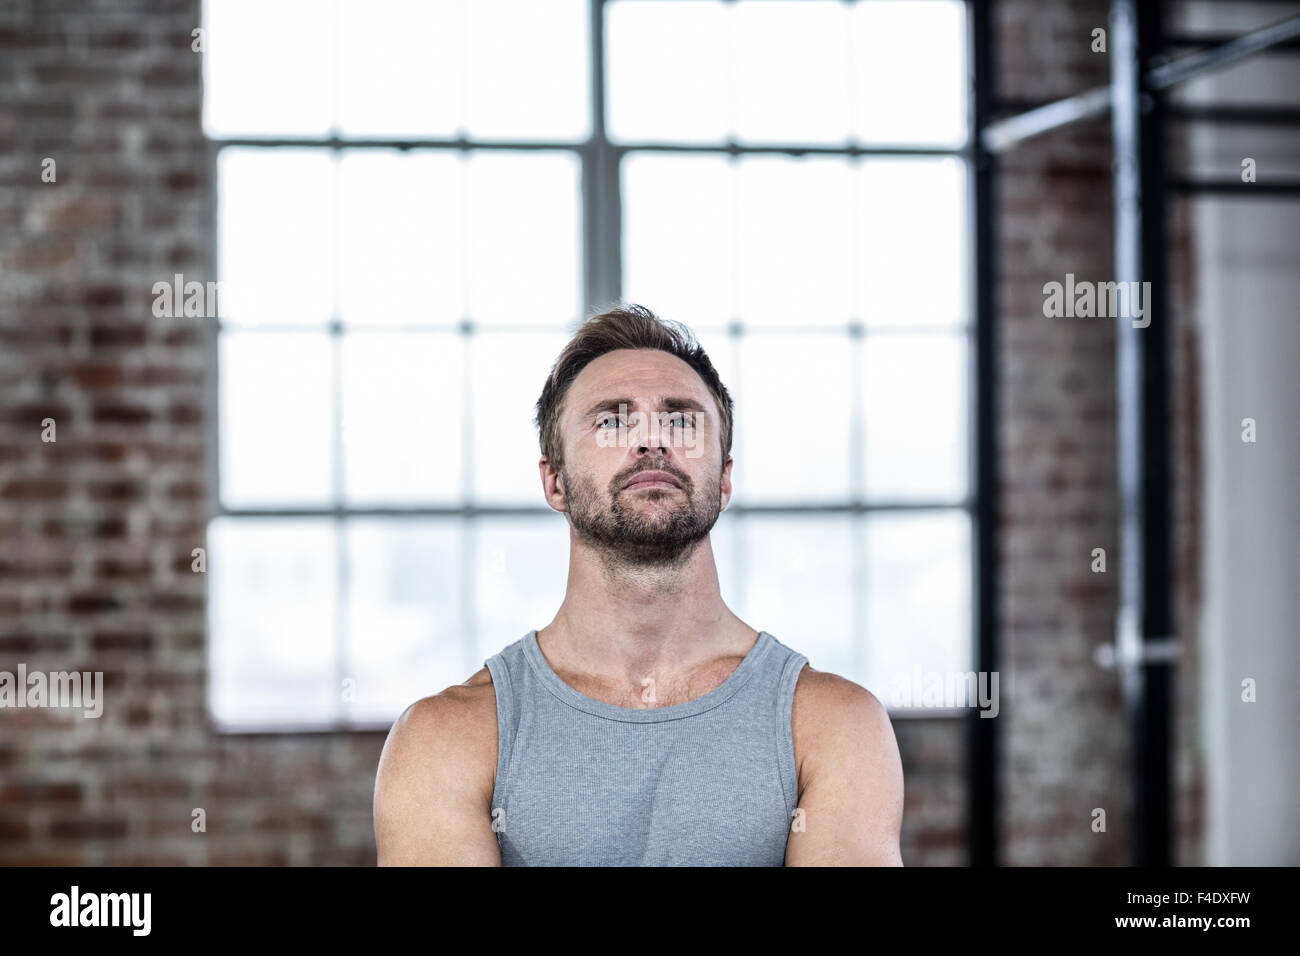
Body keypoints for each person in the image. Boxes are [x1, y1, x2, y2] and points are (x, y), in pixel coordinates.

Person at [374, 304, 903, 865]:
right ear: (554, 480)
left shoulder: (837, 727)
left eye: (682, 421)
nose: (652, 440)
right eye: (612, 421)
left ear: (724, 479)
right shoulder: (442, 740)